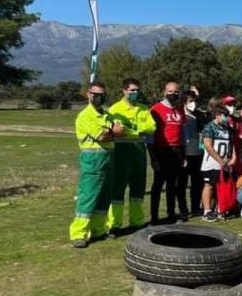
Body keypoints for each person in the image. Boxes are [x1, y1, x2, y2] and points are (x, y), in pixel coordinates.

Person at [69, 82, 123, 248]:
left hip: (108, 160)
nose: (100, 97)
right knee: (88, 198)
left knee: (103, 198)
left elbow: (122, 130)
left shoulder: (107, 115)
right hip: (93, 163)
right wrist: (114, 132)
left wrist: (113, 132)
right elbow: (103, 136)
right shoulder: (86, 116)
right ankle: (79, 233)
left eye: (102, 94)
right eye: (96, 94)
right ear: (89, 94)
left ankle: (98, 229)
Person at [106, 78, 156, 233]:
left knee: (138, 187)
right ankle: (114, 225)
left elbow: (151, 127)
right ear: (124, 90)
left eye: (137, 90)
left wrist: (130, 129)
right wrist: (137, 130)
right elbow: (115, 130)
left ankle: (136, 221)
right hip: (122, 151)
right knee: (118, 188)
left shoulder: (143, 108)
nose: (135, 93)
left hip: (139, 151)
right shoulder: (115, 109)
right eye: (132, 90)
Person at [150, 82, 187, 223]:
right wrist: (153, 157)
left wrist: (183, 154)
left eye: (176, 91)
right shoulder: (156, 109)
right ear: (164, 92)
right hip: (161, 150)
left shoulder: (180, 109)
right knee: (158, 185)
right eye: (170, 91)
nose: (173, 94)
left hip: (177, 151)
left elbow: (182, 134)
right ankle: (154, 217)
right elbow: (150, 135)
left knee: (173, 185)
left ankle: (171, 214)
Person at [200, 105, 236, 222]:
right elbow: (208, 146)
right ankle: (207, 211)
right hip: (211, 162)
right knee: (209, 185)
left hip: (225, 163)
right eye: (225, 116)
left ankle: (220, 208)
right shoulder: (209, 127)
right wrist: (220, 160)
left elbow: (231, 145)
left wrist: (232, 158)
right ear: (218, 116)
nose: (227, 118)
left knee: (221, 186)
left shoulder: (227, 128)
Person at [182, 89, 206, 217]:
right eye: (190, 101)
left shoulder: (198, 116)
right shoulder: (181, 116)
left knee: (197, 183)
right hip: (185, 155)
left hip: (197, 153)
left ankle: (196, 207)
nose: (193, 104)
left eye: (194, 101)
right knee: (182, 184)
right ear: (184, 102)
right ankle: (183, 210)